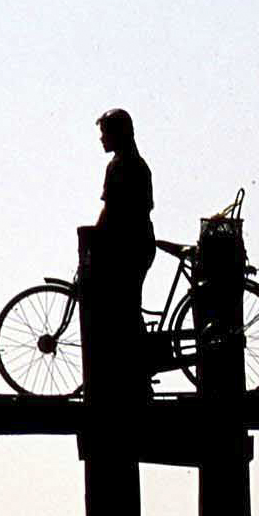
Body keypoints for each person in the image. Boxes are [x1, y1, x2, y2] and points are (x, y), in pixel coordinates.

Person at [92, 108, 156, 391]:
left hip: (129, 247)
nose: (101, 139)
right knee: (127, 306)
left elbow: (110, 210)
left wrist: (93, 238)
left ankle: (137, 373)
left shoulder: (120, 167)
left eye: (105, 132)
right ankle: (138, 371)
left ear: (119, 134)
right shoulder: (138, 164)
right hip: (140, 243)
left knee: (123, 307)